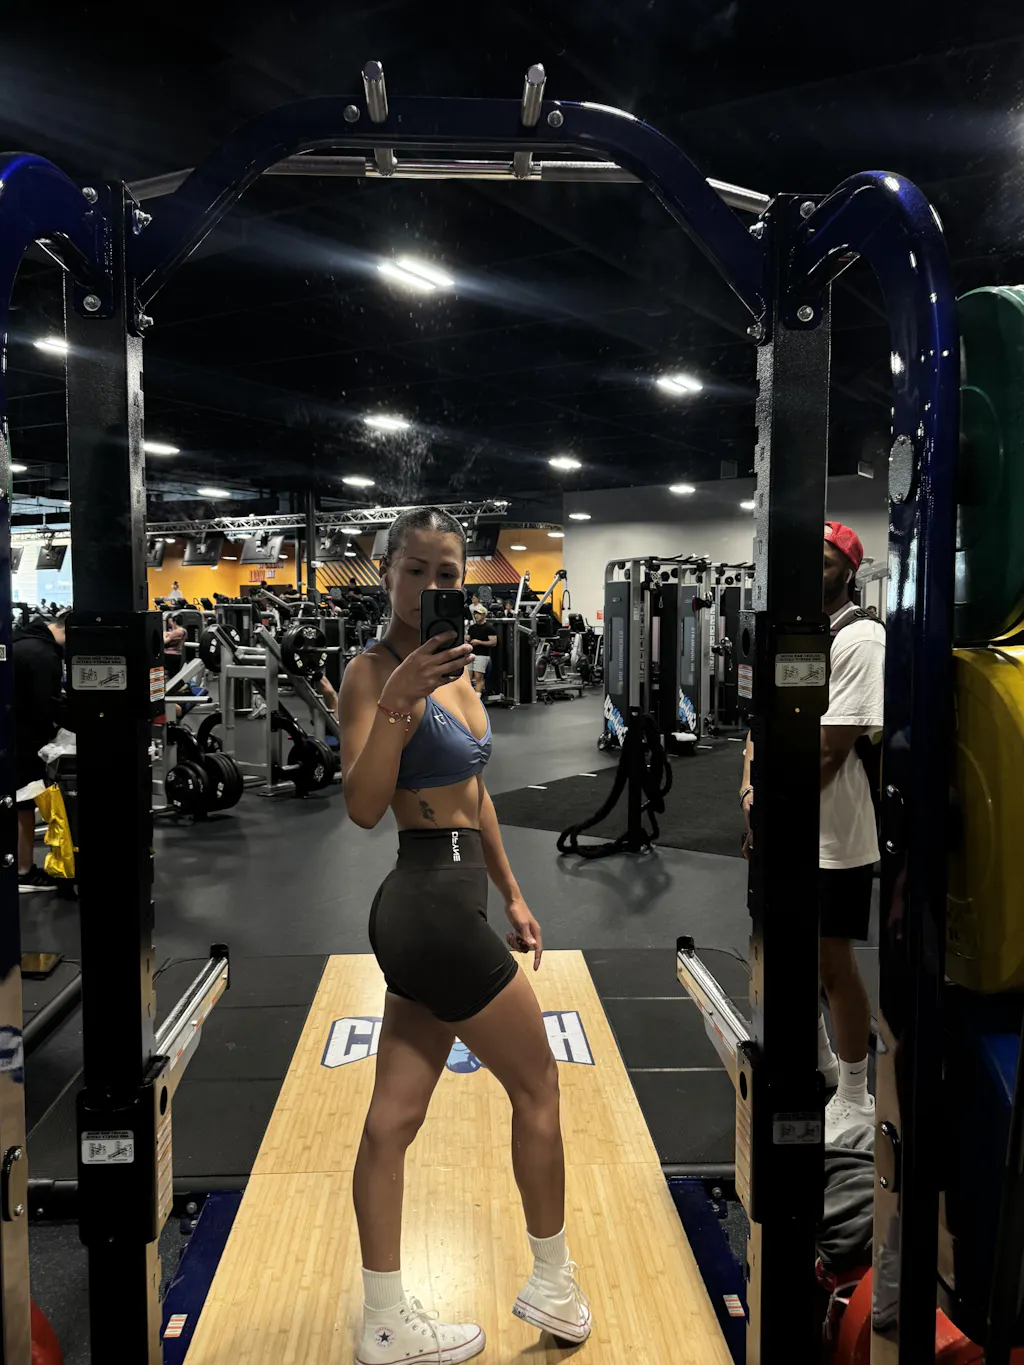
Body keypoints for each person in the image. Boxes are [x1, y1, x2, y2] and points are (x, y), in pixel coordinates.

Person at [339, 506, 590, 1364]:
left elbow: (476, 795)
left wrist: (513, 892)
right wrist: (399, 701)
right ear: (387, 571)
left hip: (453, 903)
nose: (431, 586)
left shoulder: (459, 668)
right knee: (539, 1085)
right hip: (427, 906)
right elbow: (363, 806)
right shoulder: (372, 672)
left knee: (393, 1117)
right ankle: (554, 1283)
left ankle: (383, 1321)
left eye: (447, 573)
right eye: (415, 569)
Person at [740, 520, 883, 1144]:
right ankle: (822, 1063)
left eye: (825, 562)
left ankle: (854, 1095)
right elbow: (760, 725)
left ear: (848, 571)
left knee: (832, 964)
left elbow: (827, 751)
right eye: (806, 561)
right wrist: (750, 794)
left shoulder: (860, 639)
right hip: (785, 822)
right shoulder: (795, 634)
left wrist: (769, 809)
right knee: (788, 954)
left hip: (832, 836)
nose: (811, 572)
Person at [13, 610, 67, 892]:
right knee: (23, 801)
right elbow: (48, 705)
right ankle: (22, 871)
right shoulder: (44, 655)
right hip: (20, 737)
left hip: (13, 731)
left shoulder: (22, 640)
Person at [467, 603, 497, 698]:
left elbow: (493, 642)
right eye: (475, 614)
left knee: (478, 677)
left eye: (479, 614)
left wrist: (479, 642)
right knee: (467, 678)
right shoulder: (472, 628)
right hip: (470, 654)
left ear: (484, 615)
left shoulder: (489, 628)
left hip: (482, 655)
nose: (476, 616)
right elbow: (468, 639)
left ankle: (477, 698)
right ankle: (468, 698)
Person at [163, 612, 187, 683]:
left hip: (170, 655)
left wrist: (164, 634)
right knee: (175, 674)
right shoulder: (184, 631)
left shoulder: (176, 632)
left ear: (175, 622)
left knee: (172, 675)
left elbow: (165, 641)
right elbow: (174, 634)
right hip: (178, 654)